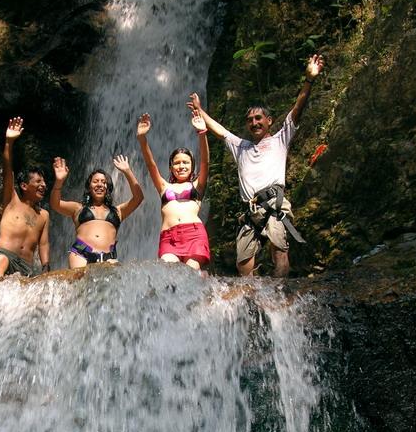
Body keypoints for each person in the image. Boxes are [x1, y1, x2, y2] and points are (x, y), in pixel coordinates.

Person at [189, 53, 324, 277]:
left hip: (274, 204)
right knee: (243, 264)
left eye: (259, 118)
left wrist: (309, 79)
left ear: (269, 121)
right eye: (250, 120)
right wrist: (199, 110)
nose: (254, 123)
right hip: (250, 210)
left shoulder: (280, 139)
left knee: (279, 251)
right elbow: (220, 131)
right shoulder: (240, 147)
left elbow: (297, 110)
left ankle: (279, 292)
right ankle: (252, 296)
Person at [136, 110, 211, 270]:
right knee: (169, 274)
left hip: (194, 234)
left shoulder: (197, 186)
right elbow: (151, 165)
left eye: (186, 162)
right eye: (177, 163)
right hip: (169, 237)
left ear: (192, 167)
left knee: (190, 273)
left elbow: (205, 162)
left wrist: (202, 133)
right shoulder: (164, 186)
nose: (181, 166)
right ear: (170, 167)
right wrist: (142, 139)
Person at [0, 116, 50, 279]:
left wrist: (46, 266)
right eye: (38, 182)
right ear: (24, 186)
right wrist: (9, 142)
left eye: (44, 182)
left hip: (25, 267)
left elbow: (43, 243)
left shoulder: (44, 215)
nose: (43, 185)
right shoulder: (12, 200)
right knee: (0, 260)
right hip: (5, 255)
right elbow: (8, 170)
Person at [50, 155, 143, 267]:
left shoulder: (118, 211)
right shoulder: (78, 208)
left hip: (109, 257)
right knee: (81, 278)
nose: (100, 184)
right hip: (81, 253)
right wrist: (59, 181)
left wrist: (127, 171)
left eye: (103, 182)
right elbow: (55, 204)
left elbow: (138, 198)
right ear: (89, 187)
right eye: (95, 181)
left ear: (107, 188)